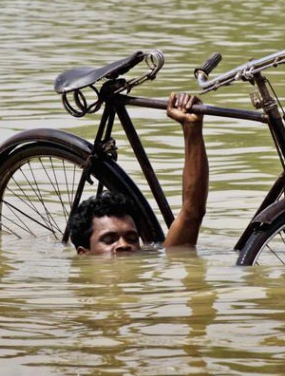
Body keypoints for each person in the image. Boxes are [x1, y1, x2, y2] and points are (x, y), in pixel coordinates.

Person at [69, 92, 208, 255]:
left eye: (132, 238)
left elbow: (192, 212)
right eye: (108, 239)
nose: (123, 245)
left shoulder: (155, 267)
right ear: (83, 253)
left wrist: (192, 127)